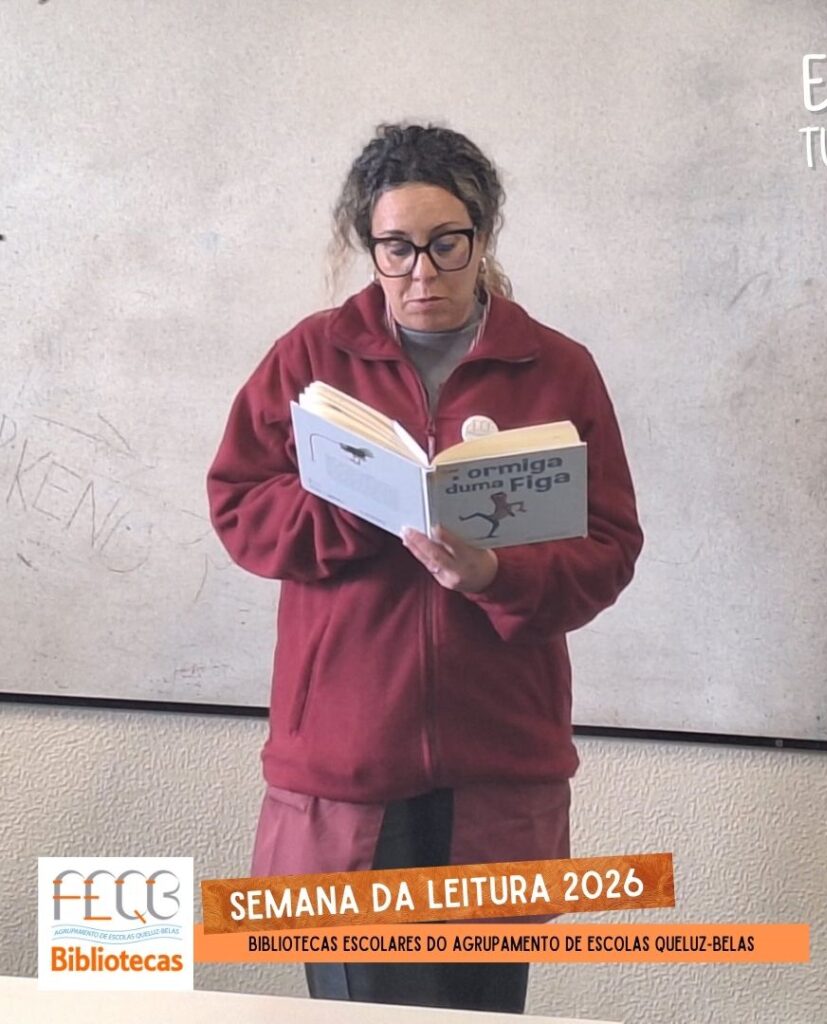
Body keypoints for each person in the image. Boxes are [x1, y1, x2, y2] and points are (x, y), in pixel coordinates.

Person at [207, 122, 643, 1014]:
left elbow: (607, 547)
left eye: (448, 244)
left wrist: (493, 576)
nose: (421, 274)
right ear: (368, 246)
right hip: (346, 758)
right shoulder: (309, 358)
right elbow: (239, 508)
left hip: (500, 757)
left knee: (481, 1007)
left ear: (483, 237)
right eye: (396, 248)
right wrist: (359, 504)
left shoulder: (558, 369)